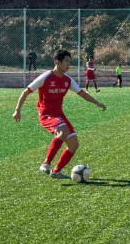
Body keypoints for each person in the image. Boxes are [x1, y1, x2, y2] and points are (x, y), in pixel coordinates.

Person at [12, 49, 106, 178]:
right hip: (46, 114)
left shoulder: (67, 80)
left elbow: (82, 93)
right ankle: (46, 163)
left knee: (73, 144)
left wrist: (97, 103)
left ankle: (56, 172)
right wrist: (17, 110)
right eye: (67, 61)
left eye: (69, 61)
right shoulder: (46, 77)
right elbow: (26, 91)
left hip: (59, 115)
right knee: (63, 131)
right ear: (58, 62)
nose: (69, 64)